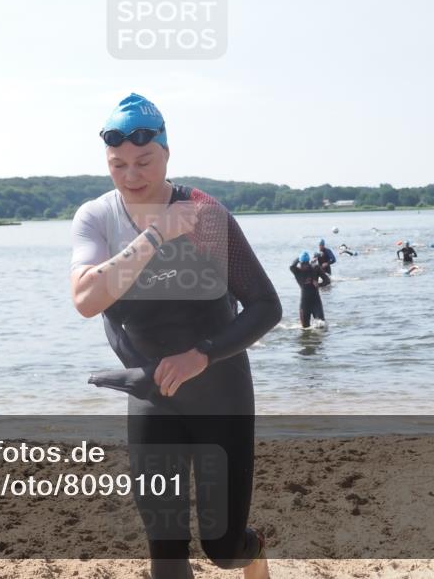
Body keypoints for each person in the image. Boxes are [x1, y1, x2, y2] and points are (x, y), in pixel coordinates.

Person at [70, 93, 280, 579]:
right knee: (165, 552)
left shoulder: (204, 214)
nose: (131, 175)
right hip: (152, 395)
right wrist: (155, 236)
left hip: (219, 390)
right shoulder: (96, 218)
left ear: (166, 152)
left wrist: (201, 355)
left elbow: (267, 306)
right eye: (117, 164)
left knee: (223, 548)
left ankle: (254, 552)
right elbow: (85, 300)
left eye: (144, 161)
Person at [290, 252, 329, 328]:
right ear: (300, 263)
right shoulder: (297, 271)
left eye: (306, 264)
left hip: (316, 302)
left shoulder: (315, 269)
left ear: (308, 263)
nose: (304, 266)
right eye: (302, 264)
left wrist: (319, 285)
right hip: (304, 304)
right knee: (305, 328)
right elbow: (292, 265)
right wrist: (299, 257)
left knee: (321, 324)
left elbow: (327, 280)